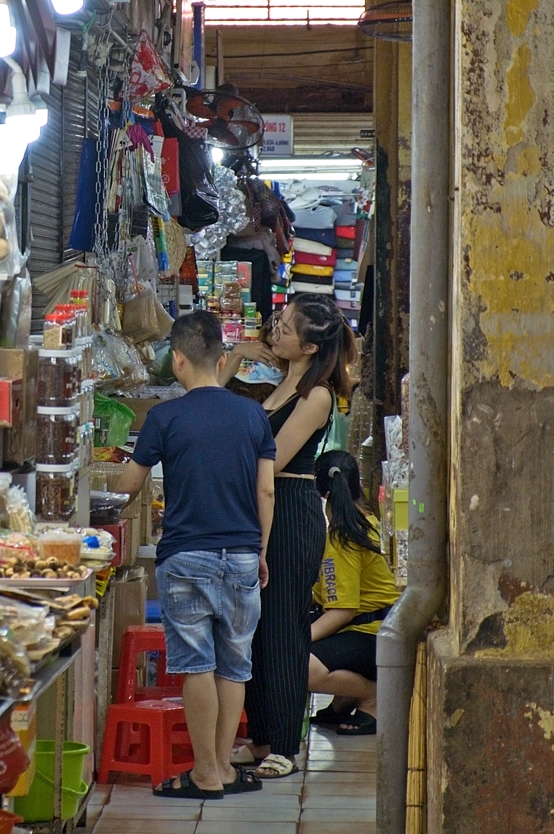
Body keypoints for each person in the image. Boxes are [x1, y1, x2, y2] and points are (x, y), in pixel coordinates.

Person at [121, 310, 277, 799]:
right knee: (234, 665)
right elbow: (266, 491)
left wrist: (97, 506)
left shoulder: (164, 417)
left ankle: (205, 773)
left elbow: (129, 487)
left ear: (178, 360)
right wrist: (260, 551)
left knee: (196, 665)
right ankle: (225, 768)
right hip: (243, 555)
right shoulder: (253, 415)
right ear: (223, 359)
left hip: (186, 556)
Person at [221, 293, 357, 779]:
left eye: (285, 326)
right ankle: (260, 737)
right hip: (263, 507)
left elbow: (274, 459)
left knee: (283, 629)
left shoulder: (316, 395)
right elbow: (213, 401)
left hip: (292, 512)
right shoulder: (280, 382)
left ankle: (284, 745)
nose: (275, 330)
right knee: (257, 630)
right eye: (278, 322)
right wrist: (236, 356)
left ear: (309, 346)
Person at [306, 449, 396, 736]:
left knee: (296, 664)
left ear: (323, 494)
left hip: (370, 635)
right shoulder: (368, 521)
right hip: (383, 630)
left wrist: (297, 639)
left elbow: (342, 611)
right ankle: (345, 697)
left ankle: (371, 695)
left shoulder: (343, 537)